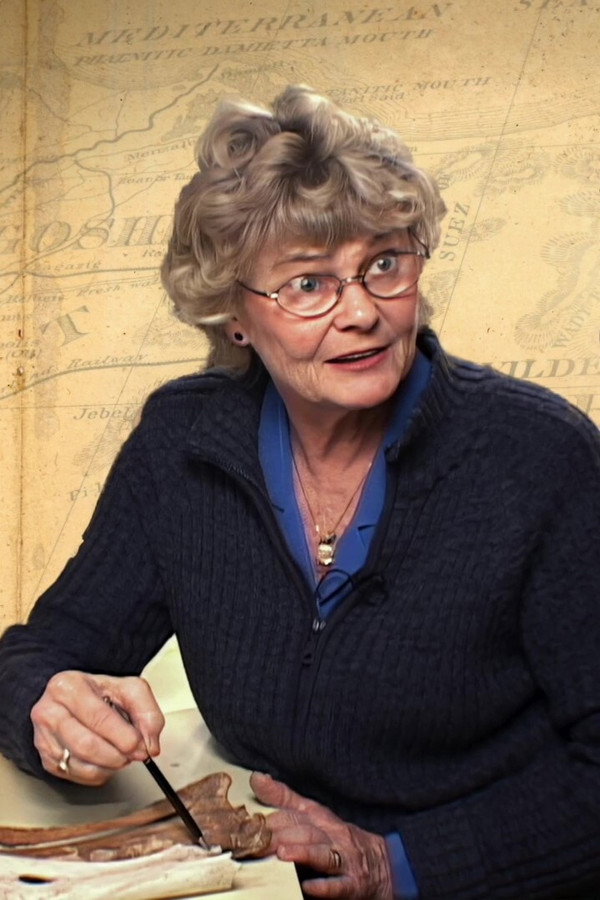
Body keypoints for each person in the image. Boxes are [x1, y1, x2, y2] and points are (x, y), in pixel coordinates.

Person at [0, 85, 599, 900]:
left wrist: (397, 865)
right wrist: (49, 709)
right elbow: (45, 652)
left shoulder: (540, 457)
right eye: (309, 284)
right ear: (232, 313)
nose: (361, 312)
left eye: (384, 264)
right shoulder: (181, 443)